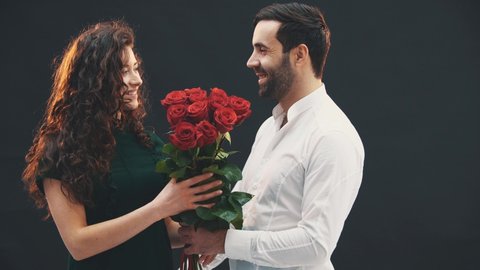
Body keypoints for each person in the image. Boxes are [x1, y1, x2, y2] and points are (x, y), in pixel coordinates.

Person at [22, 21, 221, 270]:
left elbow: (162, 231)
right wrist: (160, 208)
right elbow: (78, 244)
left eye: (135, 68)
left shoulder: (147, 143)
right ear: (95, 79)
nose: (137, 80)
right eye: (123, 71)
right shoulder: (62, 150)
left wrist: (206, 236)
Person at [179, 2, 365, 270]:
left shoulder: (331, 135)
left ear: (299, 55)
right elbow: (242, 216)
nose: (251, 61)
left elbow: (315, 244)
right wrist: (201, 258)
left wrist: (223, 242)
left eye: (262, 50)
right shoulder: (269, 127)